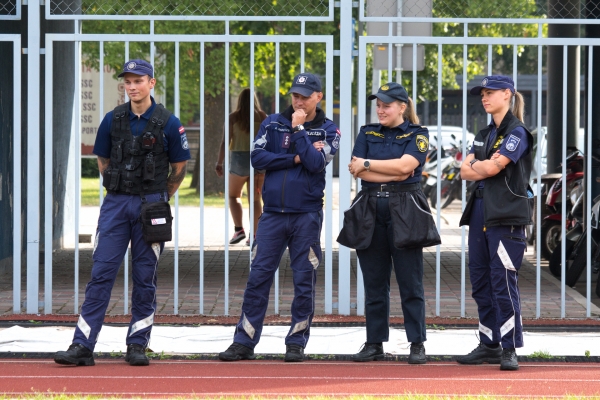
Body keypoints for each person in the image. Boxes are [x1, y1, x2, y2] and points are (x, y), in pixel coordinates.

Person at [54, 59, 190, 367]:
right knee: (101, 274)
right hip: (116, 204)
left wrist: (159, 197)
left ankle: (137, 344)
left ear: (151, 83)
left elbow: (179, 168)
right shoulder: (112, 119)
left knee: (145, 277)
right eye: (128, 82)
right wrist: (117, 190)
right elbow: (102, 159)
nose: (132, 87)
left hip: (152, 205)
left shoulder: (169, 122)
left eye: (138, 81)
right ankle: (82, 346)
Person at [218, 72, 341, 362]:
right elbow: (257, 159)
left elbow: (314, 163)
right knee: (258, 278)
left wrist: (299, 134)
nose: (298, 100)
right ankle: (243, 342)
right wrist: (294, 157)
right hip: (272, 216)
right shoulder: (272, 122)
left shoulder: (328, 129)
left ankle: (296, 342)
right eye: (295, 95)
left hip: (306, 216)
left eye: (305, 96)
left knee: (303, 280)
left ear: (318, 97)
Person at [338, 82, 441, 364]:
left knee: (411, 282)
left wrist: (370, 165)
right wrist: (390, 172)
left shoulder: (418, 134)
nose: (380, 110)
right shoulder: (366, 132)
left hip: (405, 210)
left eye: (386, 105)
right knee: (374, 283)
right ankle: (374, 342)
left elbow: (406, 168)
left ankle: (417, 343)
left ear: (402, 107)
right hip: (371, 209)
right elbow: (357, 171)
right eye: (378, 105)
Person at [457, 75, 533, 371]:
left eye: (490, 93)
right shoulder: (483, 133)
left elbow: (489, 166)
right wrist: (479, 167)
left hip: (506, 216)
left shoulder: (517, 132)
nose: (484, 97)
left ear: (507, 94)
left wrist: (478, 166)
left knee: (502, 283)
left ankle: (509, 346)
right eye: (482, 93)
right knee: (480, 282)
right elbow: (466, 170)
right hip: (480, 213)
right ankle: (488, 343)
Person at [215, 88, 268, 246]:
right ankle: (256, 235)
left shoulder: (233, 117)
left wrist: (219, 163)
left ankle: (239, 229)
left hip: (239, 160)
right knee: (255, 200)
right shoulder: (262, 116)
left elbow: (225, 141)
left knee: (233, 196)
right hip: (258, 160)